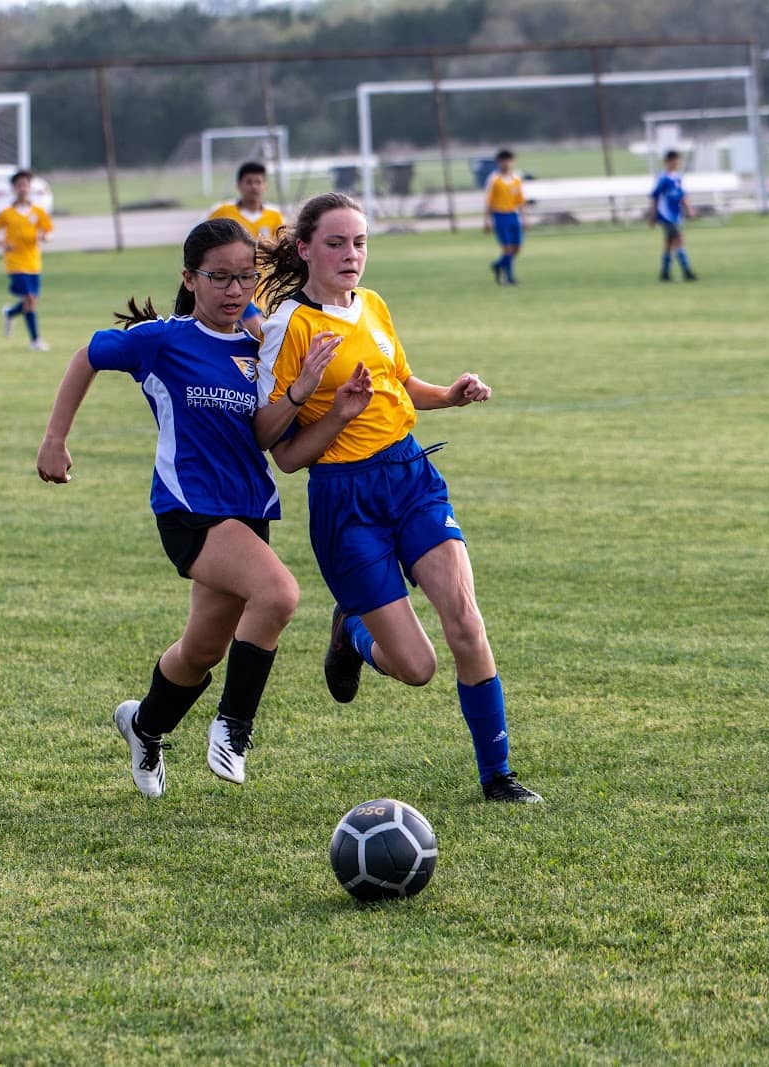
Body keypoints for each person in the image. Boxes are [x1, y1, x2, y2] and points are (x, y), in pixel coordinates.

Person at [36, 218, 362, 798]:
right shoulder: (161, 339)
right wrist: (55, 439)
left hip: (250, 509)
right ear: (190, 278)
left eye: (244, 278)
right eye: (219, 278)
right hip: (189, 509)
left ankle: (144, 725)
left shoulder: (260, 343)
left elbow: (267, 436)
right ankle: (234, 728)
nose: (234, 291)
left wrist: (308, 391)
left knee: (201, 650)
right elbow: (87, 354)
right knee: (280, 594)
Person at [256, 192, 543, 804]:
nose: (351, 255)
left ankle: (499, 777)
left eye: (359, 242)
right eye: (335, 242)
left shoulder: (374, 306)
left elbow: (401, 382)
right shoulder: (291, 326)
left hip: (410, 477)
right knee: (417, 668)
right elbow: (281, 451)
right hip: (344, 499)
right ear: (304, 249)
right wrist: (335, 412)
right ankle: (353, 631)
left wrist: (452, 393)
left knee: (465, 620)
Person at [208, 161, 286, 335]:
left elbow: (282, 250)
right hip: (230, 285)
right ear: (239, 185)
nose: (254, 187)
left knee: (247, 338)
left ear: (264, 185)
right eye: (249, 182)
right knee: (258, 335)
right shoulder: (223, 212)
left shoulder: (274, 216)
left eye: (258, 182)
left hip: (259, 289)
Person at [0, 170, 54, 351]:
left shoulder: (38, 212)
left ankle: (9, 313)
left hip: (34, 262)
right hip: (15, 263)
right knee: (30, 298)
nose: (22, 188)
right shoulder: (6, 213)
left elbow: (48, 230)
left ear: (29, 187)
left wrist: (45, 237)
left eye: (25, 185)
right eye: (19, 185)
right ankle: (36, 340)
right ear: (14, 188)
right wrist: (2, 244)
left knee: (30, 302)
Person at [648, 149, 697, 282]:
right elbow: (654, 197)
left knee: (669, 243)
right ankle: (687, 272)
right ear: (668, 162)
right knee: (679, 239)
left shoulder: (677, 178)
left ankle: (665, 273)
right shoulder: (663, 178)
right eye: (675, 160)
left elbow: (682, 196)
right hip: (666, 215)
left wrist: (689, 209)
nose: (677, 162)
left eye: (678, 160)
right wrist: (652, 215)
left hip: (676, 214)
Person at [482, 149, 526, 286]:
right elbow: (488, 201)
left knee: (516, 248)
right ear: (498, 162)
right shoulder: (494, 180)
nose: (506, 163)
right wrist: (487, 220)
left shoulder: (516, 179)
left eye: (508, 160)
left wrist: (525, 218)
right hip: (500, 215)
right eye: (503, 160)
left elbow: (520, 200)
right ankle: (509, 277)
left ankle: (497, 265)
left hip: (513, 215)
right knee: (507, 248)